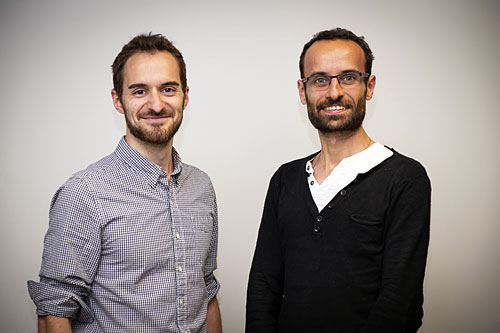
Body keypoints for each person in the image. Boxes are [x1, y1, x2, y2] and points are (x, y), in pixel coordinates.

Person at [28, 33, 222, 333]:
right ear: (118, 100)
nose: (156, 105)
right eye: (139, 91)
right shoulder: (84, 194)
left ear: (185, 95)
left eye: (168, 89)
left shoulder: (201, 187)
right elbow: (54, 311)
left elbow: (206, 290)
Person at [246, 28, 431, 332]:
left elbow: (401, 303)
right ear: (302, 90)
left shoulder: (404, 179)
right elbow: (263, 287)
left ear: (369, 86)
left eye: (348, 77)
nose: (334, 92)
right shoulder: (285, 180)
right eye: (319, 79)